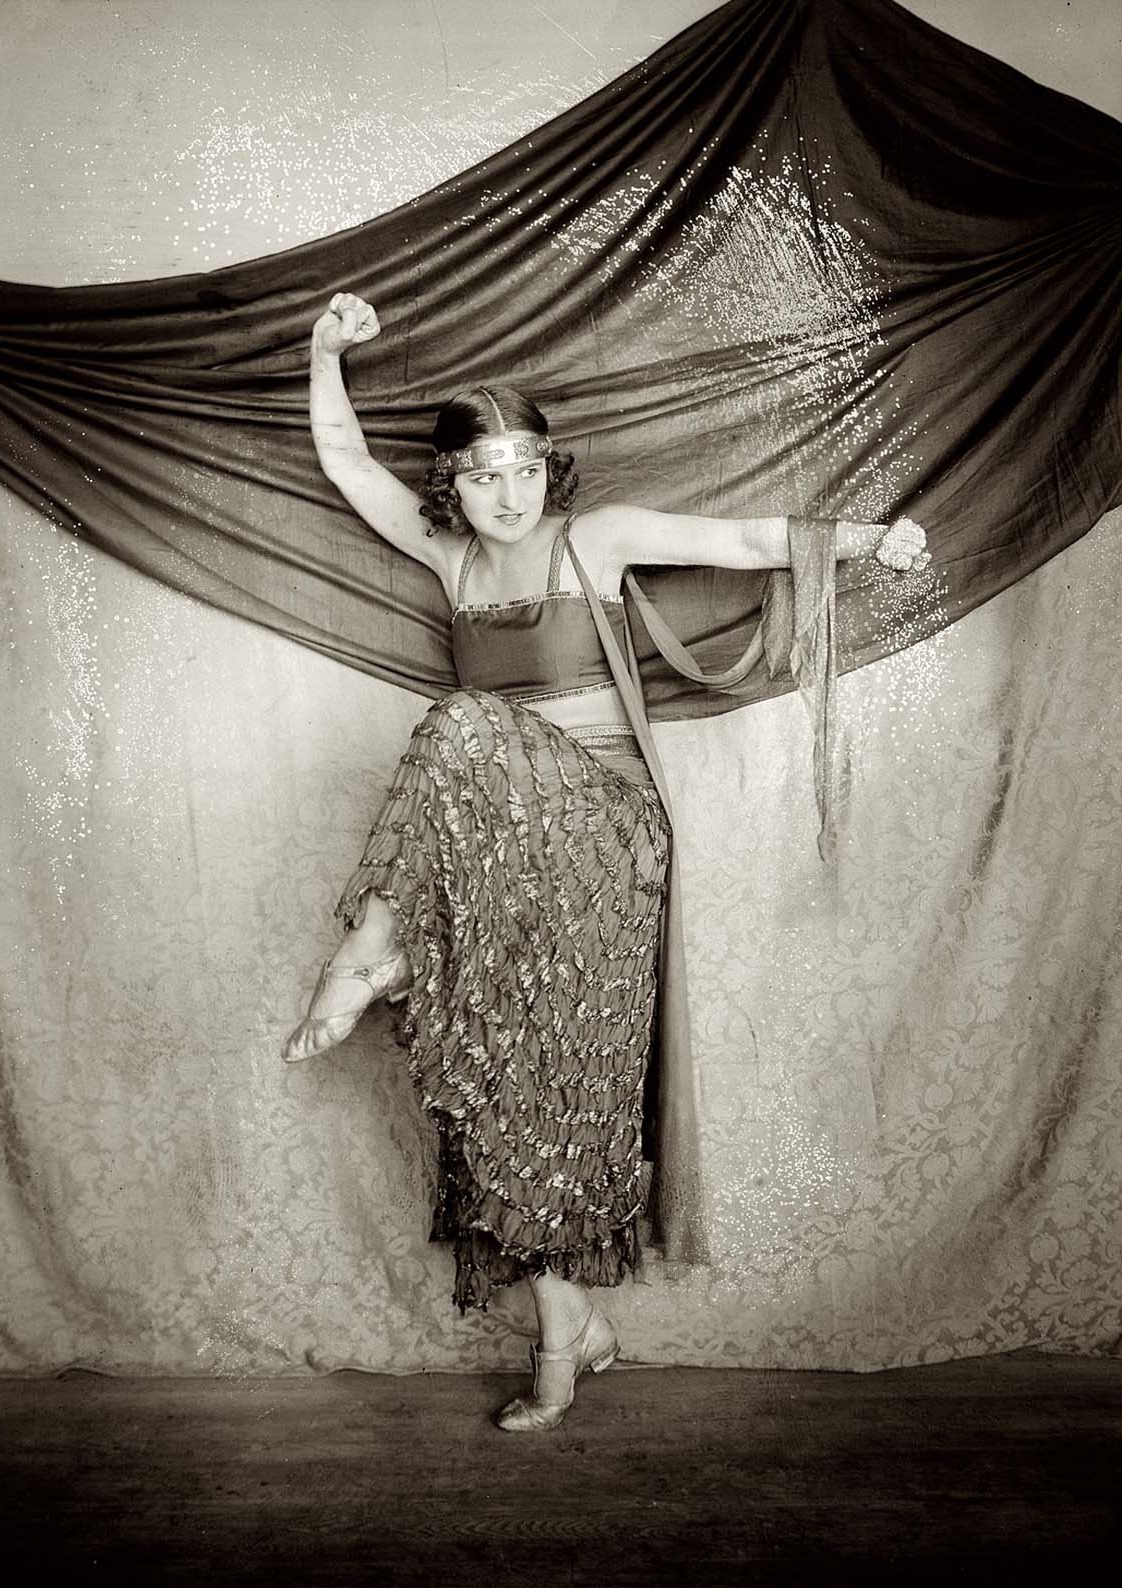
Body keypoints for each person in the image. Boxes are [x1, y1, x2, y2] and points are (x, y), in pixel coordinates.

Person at [281, 291, 928, 1432]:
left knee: (458, 722)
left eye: (525, 467)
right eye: (482, 474)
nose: (509, 492)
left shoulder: (600, 537)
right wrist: (326, 352)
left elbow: (739, 545)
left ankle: (373, 948)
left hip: (610, 835)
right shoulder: (448, 560)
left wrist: (874, 539)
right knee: (504, 1082)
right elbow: (345, 465)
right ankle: (566, 1331)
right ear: (453, 490)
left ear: (549, 472)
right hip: (503, 857)